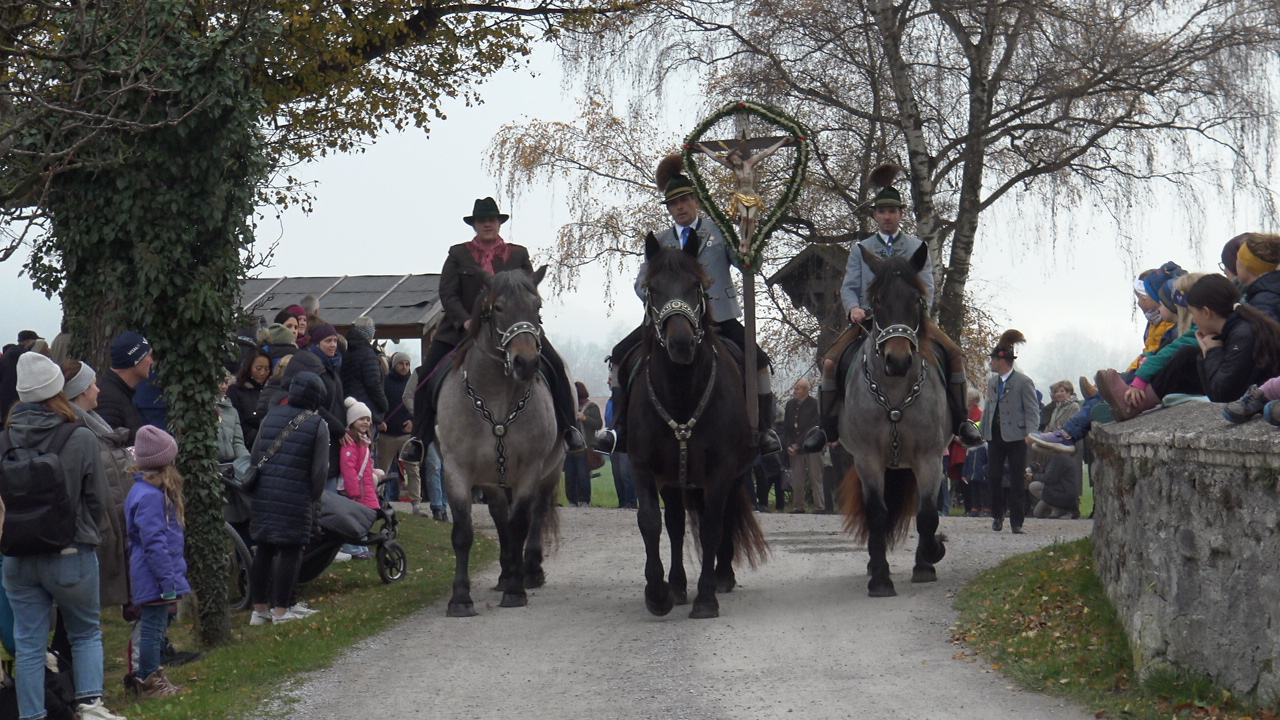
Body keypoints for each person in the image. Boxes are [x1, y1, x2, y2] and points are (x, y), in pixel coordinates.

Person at [597, 156, 782, 456]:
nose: (680, 208)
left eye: (684, 200)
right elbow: (641, 283)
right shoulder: (660, 241)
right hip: (669, 321)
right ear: (668, 209)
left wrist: (750, 240)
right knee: (619, 354)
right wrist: (656, 294)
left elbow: (748, 264)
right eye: (673, 204)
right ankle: (619, 427)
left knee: (758, 360)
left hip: (718, 317)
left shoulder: (719, 230)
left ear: (696, 200)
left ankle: (764, 429)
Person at [802, 165, 981, 453]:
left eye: (892, 211)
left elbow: (928, 287)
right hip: (869, 322)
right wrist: (853, 309)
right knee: (831, 362)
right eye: (882, 212)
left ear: (900, 215)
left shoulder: (915, 247)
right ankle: (827, 427)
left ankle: (961, 422)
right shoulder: (862, 249)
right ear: (875, 215)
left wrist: (920, 315)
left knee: (954, 353)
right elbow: (849, 287)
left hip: (911, 322)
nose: (887, 217)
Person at [2, 352, 125, 720]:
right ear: (58, 391)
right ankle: (90, 708)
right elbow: (100, 501)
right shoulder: (80, 436)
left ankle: (32, 716)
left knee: (28, 645)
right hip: (71, 552)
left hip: (17, 557)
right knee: (85, 632)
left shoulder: (3, 442)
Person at [412, 197, 585, 454]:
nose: (487, 225)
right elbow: (447, 293)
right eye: (482, 221)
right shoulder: (458, 254)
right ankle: (419, 439)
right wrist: (465, 320)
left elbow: (530, 290)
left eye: (491, 220)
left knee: (556, 366)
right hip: (463, 329)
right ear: (474, 225)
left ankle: (570, 430)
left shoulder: (518, 254)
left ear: (499, 223)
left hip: (514, 326)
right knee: (426, 375)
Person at [1103, 273, 1280, 418]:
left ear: (1206, 312)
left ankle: (1134, 404)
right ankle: (1139, 402)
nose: (1193, 320)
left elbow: (1223, 395)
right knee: (1187, 354)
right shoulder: (1236, 327)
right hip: (1238, 388)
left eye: (1194, 313)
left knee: (1188, 356)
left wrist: (1212, 352)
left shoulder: (1243, 335)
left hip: (1248, 396)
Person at [248, 371, 329, 625]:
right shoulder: (318, 424)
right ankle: (282, 610)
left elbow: (255, 456)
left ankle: (259, 610)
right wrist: (313, 498)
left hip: (264, 492)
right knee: (291, 550)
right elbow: (319, 471)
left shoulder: (270, 417)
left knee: (264, 549)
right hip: (296, 494)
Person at [123, 426, 190, 698]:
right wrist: (166, 579)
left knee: (158, 625)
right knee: (152, 627)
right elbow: (154, 542)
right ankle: (148, 680)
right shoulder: (150, 497)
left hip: (156, 572)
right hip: (155, 574)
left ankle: (154, 674)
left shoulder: (148, 491)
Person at [982, 330, 1038, 534]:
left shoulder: (1023, 382)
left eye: (992, 359)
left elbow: (1032, 410)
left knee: (1016, 479)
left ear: (1002, 360)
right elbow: (988, 409)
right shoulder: (992, 382)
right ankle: (997, 515)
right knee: (993, 476)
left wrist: (1031, 433)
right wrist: (982, 431)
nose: (990, 363)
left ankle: (1017, 522)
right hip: (995, 437)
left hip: (1016, 437)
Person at [379, 352, 420, 515]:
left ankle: (416, 503)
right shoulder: (385, 382)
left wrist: (413, 421)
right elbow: (379, 402)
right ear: (394, 364)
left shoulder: (414, 384)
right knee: (382, 470)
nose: (404, 367)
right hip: (387, 434)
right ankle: (378, 500)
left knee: (413, 468)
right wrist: (379, 420)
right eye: (401, 364)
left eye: (407, 364)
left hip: (407, 435)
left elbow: (420, 406)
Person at [96, 330, 154, 444]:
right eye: (149, 355)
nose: (152, 361)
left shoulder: (121, 393)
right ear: (136, 360)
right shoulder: (108, 400)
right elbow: (108, 454)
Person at [340, 317, 388, 428]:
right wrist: (384, 406)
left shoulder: (350, 352)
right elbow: (373, 384)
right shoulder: (368, 354)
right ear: (370, 334)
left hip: (351, 409)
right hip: (366, 411)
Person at [782, 379, 822, 513]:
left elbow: (813, 427)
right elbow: (786, 428)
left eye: (797, 389)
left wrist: (798, 444)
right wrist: (789, 445)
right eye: (794, 389)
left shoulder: (815, 404)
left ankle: (819, 506)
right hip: (794, 448)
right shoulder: (790, 405)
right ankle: (798, 506)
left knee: (816, 477)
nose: (795, 392)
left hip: (811, 446)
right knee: (797, 479)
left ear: (806, 391)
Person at [564, 383, 601, 507]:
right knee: (569, 476)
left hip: (585, 447)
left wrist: (585, 418)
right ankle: (572, 500)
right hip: (570, 447)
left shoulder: (592, 407)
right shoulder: (569, 407)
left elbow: (598, 424)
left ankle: (585, 499)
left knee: (583, 475)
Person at [227, 350, 270, 447]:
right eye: (258, 368)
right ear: (248, 368)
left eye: (267, 369)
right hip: (246, 443)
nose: (263, 373)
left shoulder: (270, 390)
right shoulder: (236, 390)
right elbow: (235, 421)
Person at [1235, 233, 1280, 323]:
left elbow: (1264, 335)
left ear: (1246, 265)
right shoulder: (1270, 294)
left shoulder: (1263, 302)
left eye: (1238, 258)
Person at [0, 330, 43, 417]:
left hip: (4, 398)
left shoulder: (6, 356)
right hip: (19, 398)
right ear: (28, 342)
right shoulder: (25, 356)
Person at [1026, 453, 1081, 519]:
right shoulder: (1060, 455)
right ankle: (1057, 508)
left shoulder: (1058, 456)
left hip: (1063, 491)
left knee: (1034, 486)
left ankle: (1061, 507)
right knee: (1037, 513)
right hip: (1059, 489)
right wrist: (1041, 470)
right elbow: (1053, 473)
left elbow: (1050, 478)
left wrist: (1033, 477)